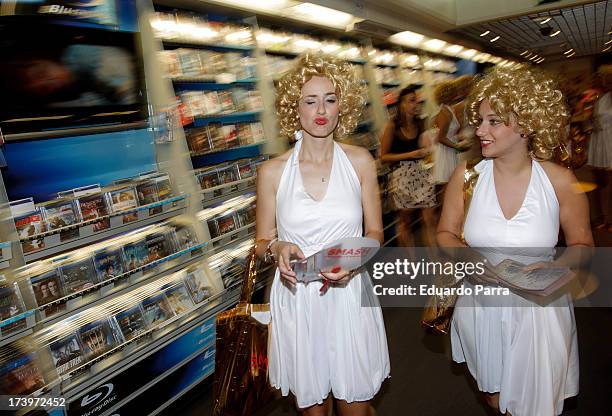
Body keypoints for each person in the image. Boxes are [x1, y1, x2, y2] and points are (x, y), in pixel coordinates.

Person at [437, 66, 593, 416]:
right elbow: (445, 234)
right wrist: (467, 257)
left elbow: (583, 245)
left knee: (536, 403)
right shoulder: (467, 177)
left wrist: (554, 268)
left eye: (493, 122)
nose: (480, 131)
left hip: (539, 311)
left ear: (525, 124)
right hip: (482, 307)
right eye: (479, 121)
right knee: (496, 400)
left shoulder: (559, 181)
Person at [255, 54, 390, 415]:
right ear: (293, 108)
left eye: (330, 99)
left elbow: (375, 231)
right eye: (310, 100)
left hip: (348, 294)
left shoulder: (360, 161)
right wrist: (278, 246)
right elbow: (260, 242)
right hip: (297, 300)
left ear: (340, 105)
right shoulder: (272, 172)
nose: (321, 110)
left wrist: (355, 261)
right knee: (313, 409)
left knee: (355, 405)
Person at [379, 85, 437, 246]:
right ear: (402, 104)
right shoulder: (392, 126)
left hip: (422, 173)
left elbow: (427, 146)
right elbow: (383, 157)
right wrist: (410, 155)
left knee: (429, 218)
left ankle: (436, 260)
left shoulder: (420, 124)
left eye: (416, 101)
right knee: (405, 222)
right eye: (411, 101)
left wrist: (429, 148)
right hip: (401, 176)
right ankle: (410, 262)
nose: (415, 104)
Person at [431, 80, 471, 187]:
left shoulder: (448, 110)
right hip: (446, 153)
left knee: (454, 183)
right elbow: (441, 138)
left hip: (450, 151)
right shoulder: (445, 112)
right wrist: (457, 146)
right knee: (449, 184)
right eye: (454, 90)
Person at [587, 65, 612, 231]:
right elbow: (595, 122)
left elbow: (602, 120)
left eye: (602, 77)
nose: (600, 80)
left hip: (609, 143)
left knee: (608, 185)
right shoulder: (600, 98)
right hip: (600, 144)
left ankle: (609, 219)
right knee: (602, 185)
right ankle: (605, 217)